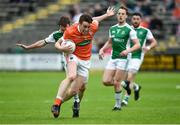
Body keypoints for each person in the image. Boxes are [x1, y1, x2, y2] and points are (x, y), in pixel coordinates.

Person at [52, 7, 116, 118]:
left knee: (77, 90)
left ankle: (75, 103)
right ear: (79, 23)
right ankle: (56, 104)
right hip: (74, 56)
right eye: (84, 26)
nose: (87, 29)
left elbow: (95, 19)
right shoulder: (70, 31)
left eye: (88, 26)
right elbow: (57, 43)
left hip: (85, 60)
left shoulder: (93, 26)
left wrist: (106, 15)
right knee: (71, 76)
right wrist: (63, 49)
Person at [98, 6, 140, 111]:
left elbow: (137, 45)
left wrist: (127, 51)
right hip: (113, 57)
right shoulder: (112, 28)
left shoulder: (129, 29)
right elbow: (110, 42)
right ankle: (124, 84)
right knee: (105, 81)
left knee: (116, 81)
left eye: (122, 14)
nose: (120, 15)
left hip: (124, 58)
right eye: (119, 14)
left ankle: (117, 105)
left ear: (126, 16)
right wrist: (102, 49)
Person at [121, 12, 157, 106]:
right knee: (125, 79)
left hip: (137, 57)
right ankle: (136, 87)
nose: (136, 20)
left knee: (129, 78)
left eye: (137, 19)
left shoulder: (145, 31)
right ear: (131, 20)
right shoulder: (127, 29)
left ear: (140, 20)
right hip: (127, 56)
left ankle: (126, 99)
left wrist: (148, 47)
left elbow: (154, 42)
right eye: (134, 19)